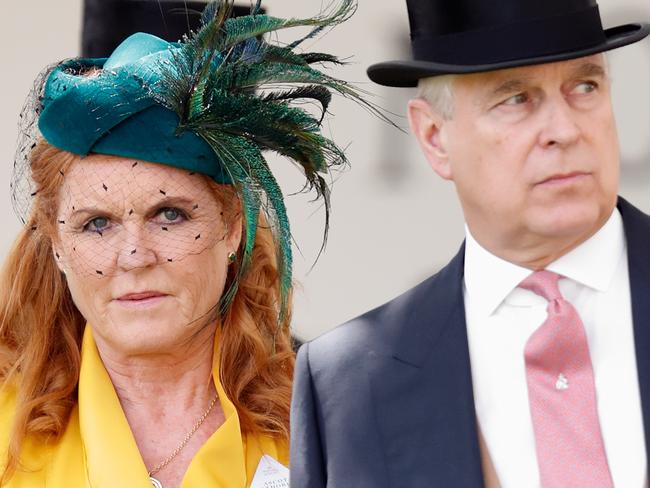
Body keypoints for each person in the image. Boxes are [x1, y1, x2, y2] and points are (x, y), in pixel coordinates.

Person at [0, 1, 367, 486]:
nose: (134, 256)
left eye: (169, 215)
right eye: (96, 224)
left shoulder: (332, 431)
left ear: (234, 223)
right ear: (54, 243)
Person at [290, 0, 650, 487]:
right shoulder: (346, 384)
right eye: (516, 99)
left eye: (584, 86)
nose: (565, 130)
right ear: (435, 137)